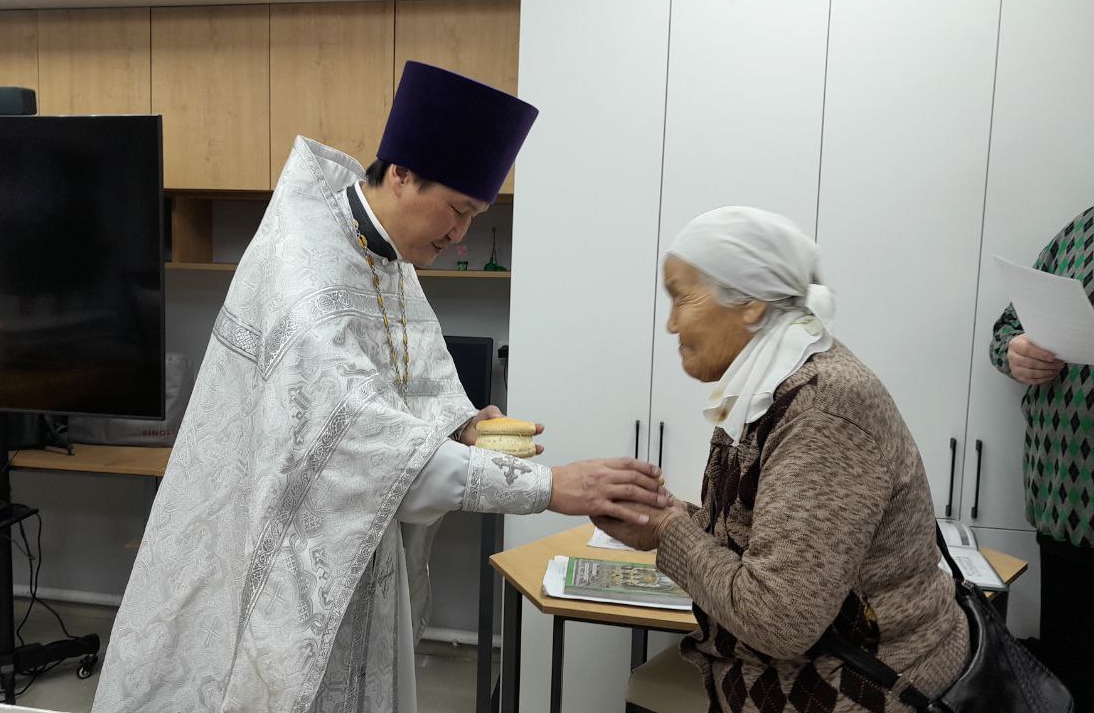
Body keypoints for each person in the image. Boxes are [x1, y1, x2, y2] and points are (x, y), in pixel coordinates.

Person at [90, 61, 667, 713]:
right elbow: (356, 439)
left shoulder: (382, 254)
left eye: (474, 216)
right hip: (277, 555)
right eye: (457, 210)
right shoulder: (306, 266)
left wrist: (464, 426)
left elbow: (408, 380)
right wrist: (550, 487)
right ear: (401, 174)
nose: (459, 234)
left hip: (357, 544)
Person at [595, 207, 969, 712]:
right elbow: (763, 541)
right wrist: (670, 518)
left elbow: (779, 620)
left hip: (867, 692)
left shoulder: (823, 408)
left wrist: (668, 530)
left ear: (751, 302)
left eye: (682, 297)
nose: (671, 323)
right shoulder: (767, 389)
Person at [989, 206, 1094, 712]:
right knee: (1068, 683)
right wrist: (1014, 350)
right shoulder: (1080, 231)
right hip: (1063, 505)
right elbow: (1008, 326)